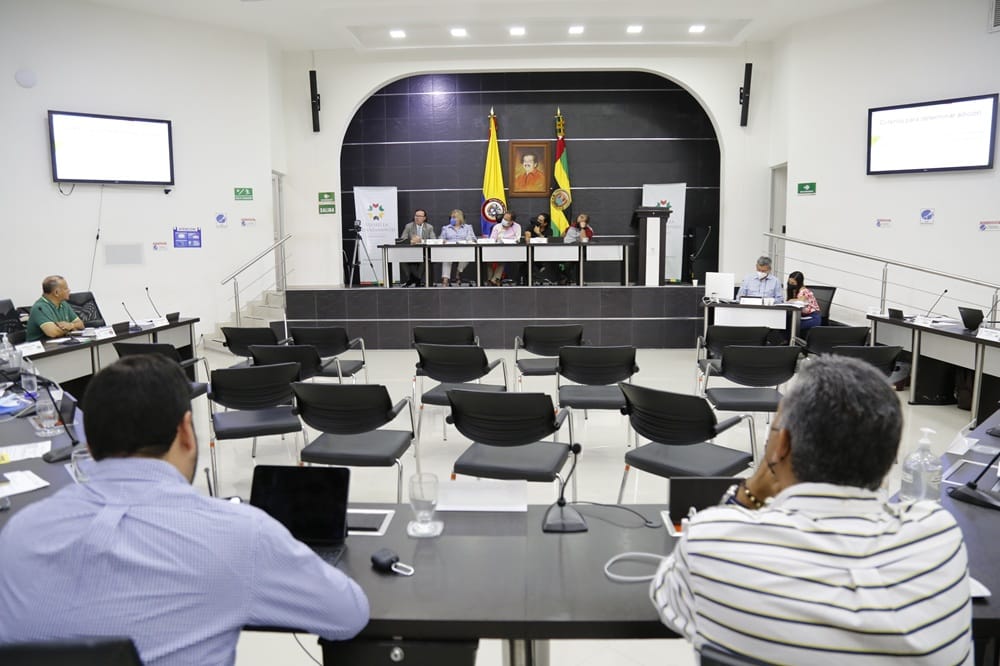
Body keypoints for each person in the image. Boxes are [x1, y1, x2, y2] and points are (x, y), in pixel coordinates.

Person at [0, 354, 370, 666]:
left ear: (90, 446)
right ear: (186, 432)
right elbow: (348, 614)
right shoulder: (240, 535)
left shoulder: (18, 534)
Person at [651, 355, 972, 665]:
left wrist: (750, 492)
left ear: (782, 445)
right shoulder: (938, 536)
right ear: (890, 458)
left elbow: (668, 598)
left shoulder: (712, 541)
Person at [25, 275, 84, 341]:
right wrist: (71, 329)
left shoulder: (63, 304)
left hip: (60, 343)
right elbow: (53, 333)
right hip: (41, 346)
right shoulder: (39, 308)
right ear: (56, 292)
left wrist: (70, 325)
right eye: (66, 288)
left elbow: (81, 325)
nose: (69, 290)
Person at [398, 209, 436, 286]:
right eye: (416, 216)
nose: (417, 218)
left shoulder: (429, 227)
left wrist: (421, 241)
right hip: (411, 252)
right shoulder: (409, 226)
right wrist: (411, 241)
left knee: (424, 259)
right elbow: (402, 239)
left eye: (419, 216)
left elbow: (433, 240)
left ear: (424, 218)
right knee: (401, 259)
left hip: (424, 252)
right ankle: (412, 279)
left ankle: (415, 280)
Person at [439, 208, 475, 286]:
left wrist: (469, 239)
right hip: (449, 250)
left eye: (454, 217)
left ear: (460, 218)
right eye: (451, 217)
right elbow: (440, 239)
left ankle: (458, 272)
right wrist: (443, 240)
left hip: (463, 250)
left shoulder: (468, 227)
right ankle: (445, 280)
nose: (452, 219)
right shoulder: (446, 228)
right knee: (446, 258)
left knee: (468, 255)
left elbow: (473, 239)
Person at [487, 211, 522, 285]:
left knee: (502, 259)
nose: (504, 220)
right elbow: (492, 239)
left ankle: (495, 279)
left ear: (511, 221)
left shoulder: (517, 226)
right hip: (496, 248)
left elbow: (517, 239)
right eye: (504, 218)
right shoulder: (497, 226)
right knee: (487, 259)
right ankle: (490, 280)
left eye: (506, 219)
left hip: (511, 250)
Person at [559, 213, 594, 285]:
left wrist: (583, 228)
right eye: (580, 217)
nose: (580, 218)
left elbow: (584, 240)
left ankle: (576, 280)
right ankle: (566, 279)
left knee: (572, 264)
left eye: (583, 218)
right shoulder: (571, 227)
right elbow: (562, 236)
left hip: (579, 251)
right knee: (562, 264)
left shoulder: (588, 229)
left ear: (586, 221)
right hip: (566, 249)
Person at [526, 212, 556, 283]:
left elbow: (548, 242)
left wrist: (538, 233)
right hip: (531, 250)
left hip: (544, 251)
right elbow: (527, 240)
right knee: (529, 257)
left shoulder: (549, 230)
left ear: (545, 223)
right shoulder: (531, 227)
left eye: (540, 221)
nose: (537, 221)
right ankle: (533, 278)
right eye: (538, 219)